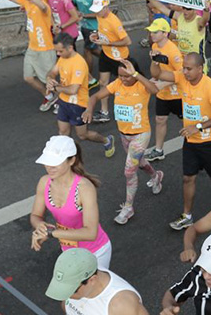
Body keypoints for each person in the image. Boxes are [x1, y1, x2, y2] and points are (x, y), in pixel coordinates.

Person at [83, 57, 164, 225]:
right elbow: (95, 96)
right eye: (120, 76)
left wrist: (135, 74)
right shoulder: (116, 85)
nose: (123, 79)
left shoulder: (142, 85)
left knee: (129, 171)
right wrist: (89, 109)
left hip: (140, 134)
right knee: (139, 163)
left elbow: (155, 90)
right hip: (124, 135)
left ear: (134, 74)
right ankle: (156, 176)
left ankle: (128, 207)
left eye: (127, 76)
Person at [170, 53, 211, 231]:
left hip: (210, 141)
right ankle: (187, 216)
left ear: (200, 68)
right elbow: (160, 76)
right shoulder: (183, 79)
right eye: (184, 67)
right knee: (187, 178)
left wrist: (198, 126)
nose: (185, 72)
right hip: (191, 141)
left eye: (189, 69)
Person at [30, 135, 112, 269]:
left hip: (95, 252)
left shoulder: (85, 188)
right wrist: (41, 227)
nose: (49, 167)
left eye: (55, 162)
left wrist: (51, 233)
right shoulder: (44, 182)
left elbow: (91, 233)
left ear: (71, 160)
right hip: (68, 249)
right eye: (47, 161)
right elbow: (35, 216)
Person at [46, 33, 113, 154]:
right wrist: (50, 79)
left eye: (60, 51)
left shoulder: (79, 64)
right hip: (64, 102)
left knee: (82, 135)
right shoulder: (63, 58)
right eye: (57, 51)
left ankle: (106, 140)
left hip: (78, 105)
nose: (58, 54)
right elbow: (53, 71)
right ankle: (67, 158)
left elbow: (73, 90)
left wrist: (55, 88)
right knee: (63, 132)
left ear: (70, 48)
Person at [0, 0, 57, 111]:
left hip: (46, 49)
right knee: (28, 78)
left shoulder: (43, 6)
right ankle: (49, 97)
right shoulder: (26, 2)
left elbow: (41, 6)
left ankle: (62, 102)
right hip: (32, 48)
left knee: (50, 80)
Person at [146, 19, 185, 161]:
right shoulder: (155, 46)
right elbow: (155, 70)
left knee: (188, 122)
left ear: (165, 33)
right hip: (163, 94)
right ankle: (158, 150)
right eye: (151, 32)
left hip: (178, 95)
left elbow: (182, 74)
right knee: (160, 119)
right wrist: (155, 79)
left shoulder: (173, 51)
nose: (152, 35)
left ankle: (199, 143)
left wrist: (163, 84)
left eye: (155, 32)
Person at [87, 0, 131, 124]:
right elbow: (103, 33)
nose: (97, 12)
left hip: (119, 58)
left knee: (125, 85)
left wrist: (108, 44)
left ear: (106, 7)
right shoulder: (99, 16)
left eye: (99, 9)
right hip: (106, 55)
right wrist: (95, 35)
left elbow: (127, 41)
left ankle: (129, 109)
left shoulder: (114, 21)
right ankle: (104, 112)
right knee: (103, 83)